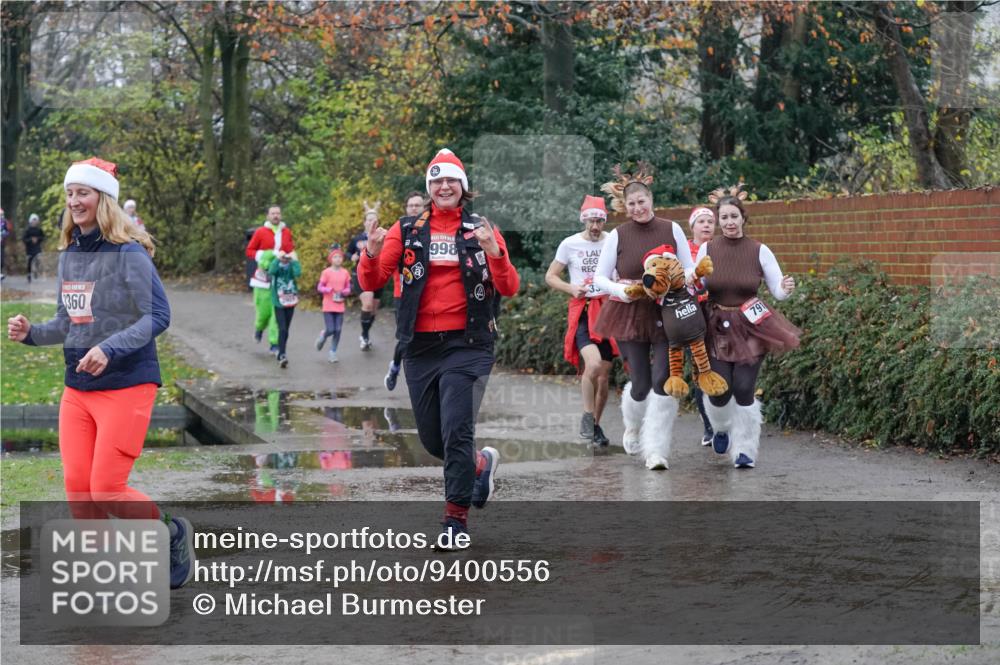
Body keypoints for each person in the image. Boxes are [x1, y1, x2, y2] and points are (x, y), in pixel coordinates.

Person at [6, 157, 195, 588]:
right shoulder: (70, 254)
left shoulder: (128, 254)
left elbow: (158, 317)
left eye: (83, 193)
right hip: (78, 389)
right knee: (78, 490)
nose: (74, 201)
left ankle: (171, 532)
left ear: (103, 199)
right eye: (70, 193)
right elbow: (65, 323)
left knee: (106, 489)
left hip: (127, 384)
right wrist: (31, 333)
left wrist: (109, 348)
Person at [359, 148, 519, 547]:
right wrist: (372, 251)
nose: (444, 186)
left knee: (456, 431)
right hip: (420, 347)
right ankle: (480, 465)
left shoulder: (481, 228)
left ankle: (455, 522)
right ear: (430, 188)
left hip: (469, 344)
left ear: (462, 187)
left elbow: (509, 286)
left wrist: (495, 253)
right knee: (434, 440)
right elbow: (371, 281)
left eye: (450, 180)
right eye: (436, 180)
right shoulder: (407, 229)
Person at [593, 163, 695, 470]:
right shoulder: (618, 235)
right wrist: (620, 290)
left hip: (666, 310)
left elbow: (688, 268)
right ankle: (634, 425)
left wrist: (682, 279)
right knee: (640, 381)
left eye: (642, 202)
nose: (638, 208)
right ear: (625, 207)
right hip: (629, 310)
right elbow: (599, 277)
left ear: (651, 200)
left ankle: (656, 450)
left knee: (663, 380)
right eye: (631, 204)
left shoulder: (671, 228)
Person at [696, 185, 800, 469]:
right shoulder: (708, 249)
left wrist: (786, 288)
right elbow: (699, 283)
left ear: (743, 218)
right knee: (719, 390)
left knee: (743, 389)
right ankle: (719, 428)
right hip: (716, 324)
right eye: (724, 218)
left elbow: (777, 290)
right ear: (718, 221)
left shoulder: (759, 250)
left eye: (734, 216)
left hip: (751, 325)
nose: (729, 222)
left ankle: (745, 451)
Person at [545, 194, 619, 447]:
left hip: (609, 310)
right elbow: (550, 276)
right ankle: (587, 416)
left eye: (599, 221)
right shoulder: (570, 244)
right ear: (584, 221)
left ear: (604, 221)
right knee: (594, 364)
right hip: (585, 310)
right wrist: (571, 288)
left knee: (604, 375)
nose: (595, 226)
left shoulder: (613, 241)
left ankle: (596, 425)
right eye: (591, 221)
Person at [384, 191, 425, 390]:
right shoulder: (399, 232)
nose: (415, 209)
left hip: (426, 295)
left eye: (419, 205)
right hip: (403, 294)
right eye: (411, 205)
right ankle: (394, 368)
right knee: (406, 337)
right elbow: (386, 264)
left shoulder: (431, 232)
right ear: (406, 209)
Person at [687, 206, 717, 447]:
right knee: (700, 368)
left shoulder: (719, 249)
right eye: (702, 222)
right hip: (691, 314)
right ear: (693, 226)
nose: (707, 225)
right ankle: (708, 425)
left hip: (717, 312)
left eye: (710, 221)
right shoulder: (683, 250)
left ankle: (723, 419)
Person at [246, 205, 293, 348]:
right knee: (263, 313)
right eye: (273, 213)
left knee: (276, 314)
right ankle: (259, 328)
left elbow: (291, 251)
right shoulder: (261, 232)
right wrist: (263, 257)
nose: (276, 216)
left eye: (278, 213)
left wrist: (288, 259)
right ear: (268, 216)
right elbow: (250, 251)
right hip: (263, 279)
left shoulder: (286, 232)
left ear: (281, 215)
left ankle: (274, 343)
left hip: (279, 279)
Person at [349, 202, 382, 351]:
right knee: (367, 303)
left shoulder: (383, 237)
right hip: (360, 274)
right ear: (364, 222)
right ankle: (364, 335)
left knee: (373, 309)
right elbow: (348, 252)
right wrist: (352, 256)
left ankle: (365, 334)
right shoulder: (357, 239)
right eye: (368, 219)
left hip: (378, 274)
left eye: (373, 219)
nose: (371, 222)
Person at [315, 244, 352, 362]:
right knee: (330, 329)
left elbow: (348, 287)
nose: (338, 259)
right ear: (331, 259)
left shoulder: (345, 272)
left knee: (338, 330)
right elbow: (320, 287)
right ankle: (323, 335)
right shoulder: (326, 272)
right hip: (328, 305)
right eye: (335, 257)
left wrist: (345, 292)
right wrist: (327, 289)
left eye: (340, 257)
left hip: (339, 305)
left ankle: (333, 352)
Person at [268, 249, 301, 368]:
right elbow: (271, 271)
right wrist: (277, 259)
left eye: (287, 258)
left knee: (286, 329)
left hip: (290, 301)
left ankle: (281, 351)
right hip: (279, 302)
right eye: (284, 258)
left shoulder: (291, 266)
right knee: (282, 328)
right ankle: (282, 354)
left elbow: (298, 273)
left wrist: (295, 260)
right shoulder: (277, 267)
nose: (285, 260)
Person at [251, 249, 280, 355]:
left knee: (275, 318)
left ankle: (274, 344)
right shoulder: (263, 250)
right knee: (263, 316)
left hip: (276, 291)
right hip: (262, 290)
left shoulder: (281, 246)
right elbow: (263, 262)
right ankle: (259, 328)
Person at [23, 213, 45, 282]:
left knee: (38, 259)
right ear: (31, 221)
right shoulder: (27, 230)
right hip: (29, 248)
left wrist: (37, 239)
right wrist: (30, 240)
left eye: (36, 220)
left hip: (37, 248)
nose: (34, 222)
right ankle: (29, 274)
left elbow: (43, 237)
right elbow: (24, 239)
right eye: (33, 220)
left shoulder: (39, 230)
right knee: (30, 261)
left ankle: (36, 270)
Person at [0, 208, 11, 279]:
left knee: (1, 260)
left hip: (1, 244)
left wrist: (3, 234)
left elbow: (7, 232)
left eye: (2, 214)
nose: (1, 216)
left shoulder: (4, 222)